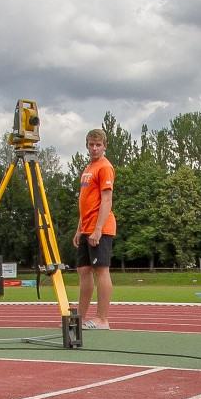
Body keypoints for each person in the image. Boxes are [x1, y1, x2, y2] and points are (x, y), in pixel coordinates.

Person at [75, 129, 116, 330]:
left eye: (98, 145)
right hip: (86, 227)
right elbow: (84, 201)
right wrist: (79, 228)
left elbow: (106, 200)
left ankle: (102, 319)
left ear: (104, 146)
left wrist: (98, 229)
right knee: (83, 270)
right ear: (87, 145)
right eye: (91, 144)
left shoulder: (105, 167)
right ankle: (79, 317)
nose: (94, 148)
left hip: (101, 227)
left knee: (101, 270)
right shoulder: (88, 168)